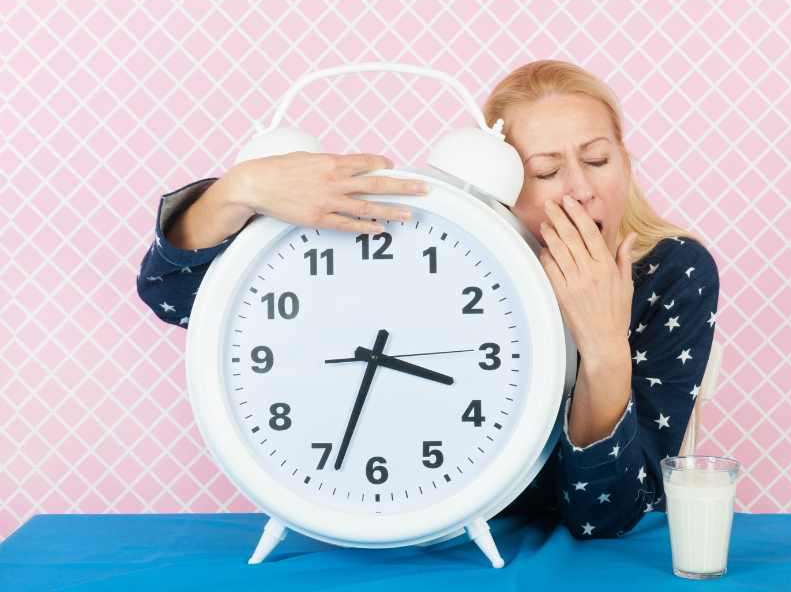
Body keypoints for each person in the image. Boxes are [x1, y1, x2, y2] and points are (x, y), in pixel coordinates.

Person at [137, 60, 719, 540]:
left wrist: (604, 349)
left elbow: (606, 515)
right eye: (546, 171)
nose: (582, 188)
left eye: (597, 160)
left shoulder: (672, 272)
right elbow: (171, 297)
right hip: (429, 538)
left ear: (625, 160)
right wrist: (240, 188)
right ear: (506, 189)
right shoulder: (450, 247)